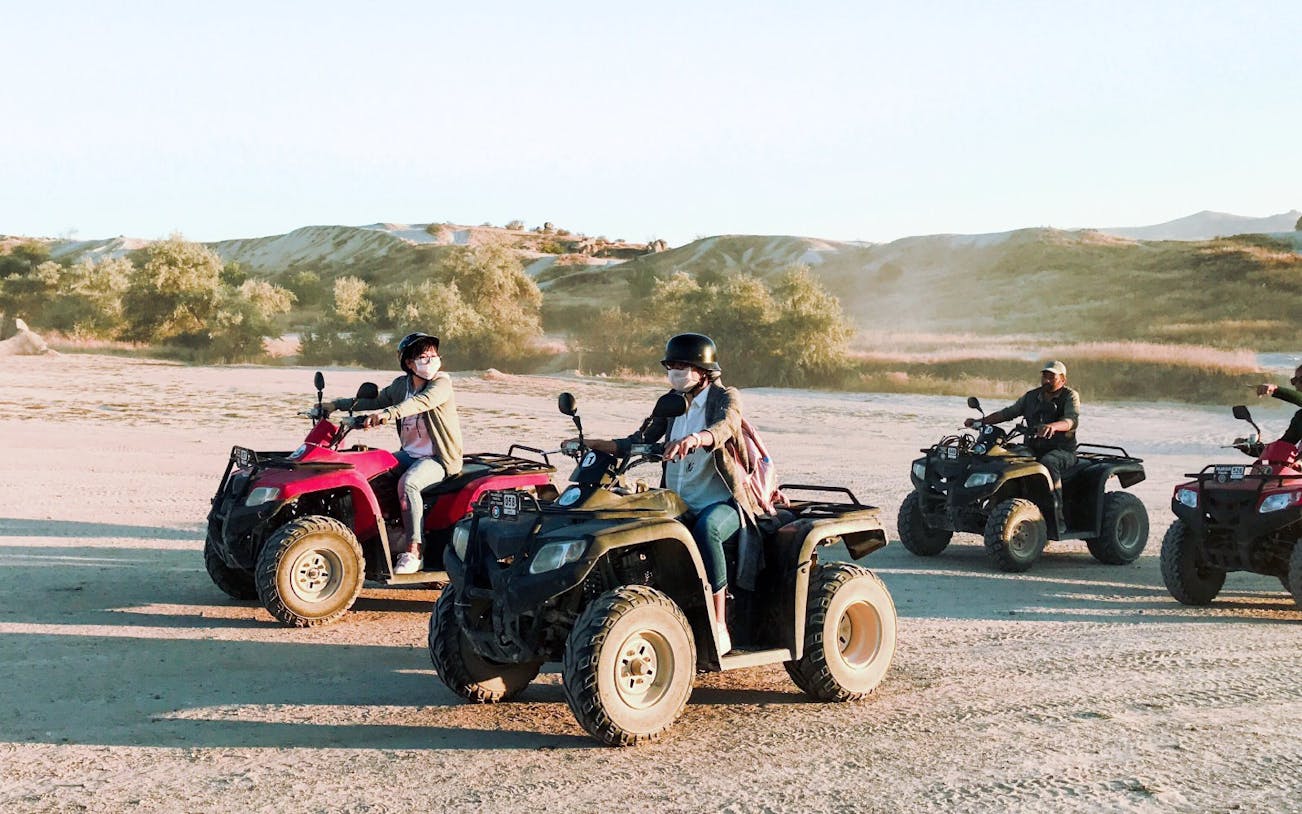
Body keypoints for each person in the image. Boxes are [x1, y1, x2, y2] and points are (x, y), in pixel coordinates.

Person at [578, 333, 762, 655]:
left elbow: (725, 428)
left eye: (682, 365)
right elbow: (639, 441)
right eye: (671, 365)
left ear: (702, 370)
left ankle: (719, 622)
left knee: (708, 530)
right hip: (677, 500)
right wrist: (596, 445)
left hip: (722, 502)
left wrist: (695, 439)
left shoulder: (724, 397)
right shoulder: (672, 403)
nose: (675, 371)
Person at [328, 332, 464, 574]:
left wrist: (385, 415)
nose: (430, 360)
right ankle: (378, 535)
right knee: (368, 470)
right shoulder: (401, 386)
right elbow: (375, 401)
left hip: (439, 458)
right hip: (409, 454)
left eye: (433, 355)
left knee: (409, 483)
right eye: (423, 356)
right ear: (409, 363)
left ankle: (414, 550)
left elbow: (419, 403)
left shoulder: (441, 383)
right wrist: (334, 405)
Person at [964, 360, 1081, 532]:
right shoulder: (1031, 397)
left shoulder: (1070, 396)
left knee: (1049, 463)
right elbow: (1007, 413)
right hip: (1033, 448)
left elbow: (1071, 420)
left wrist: (1053, 427)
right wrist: (980, 421)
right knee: (1004, 459)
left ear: (1062, 379)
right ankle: (996, 504)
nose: (1046, 380)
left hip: (1062, 450)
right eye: (1045, 376)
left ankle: (1057, 517)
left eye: (1051, 377)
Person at [1248, 364, 1302, 453]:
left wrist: (1275, 389)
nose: (1296, 385)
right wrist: (1250, 448)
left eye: (1301, 380)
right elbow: (1281, 447)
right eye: (1294, 380)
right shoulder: (1300, 417)